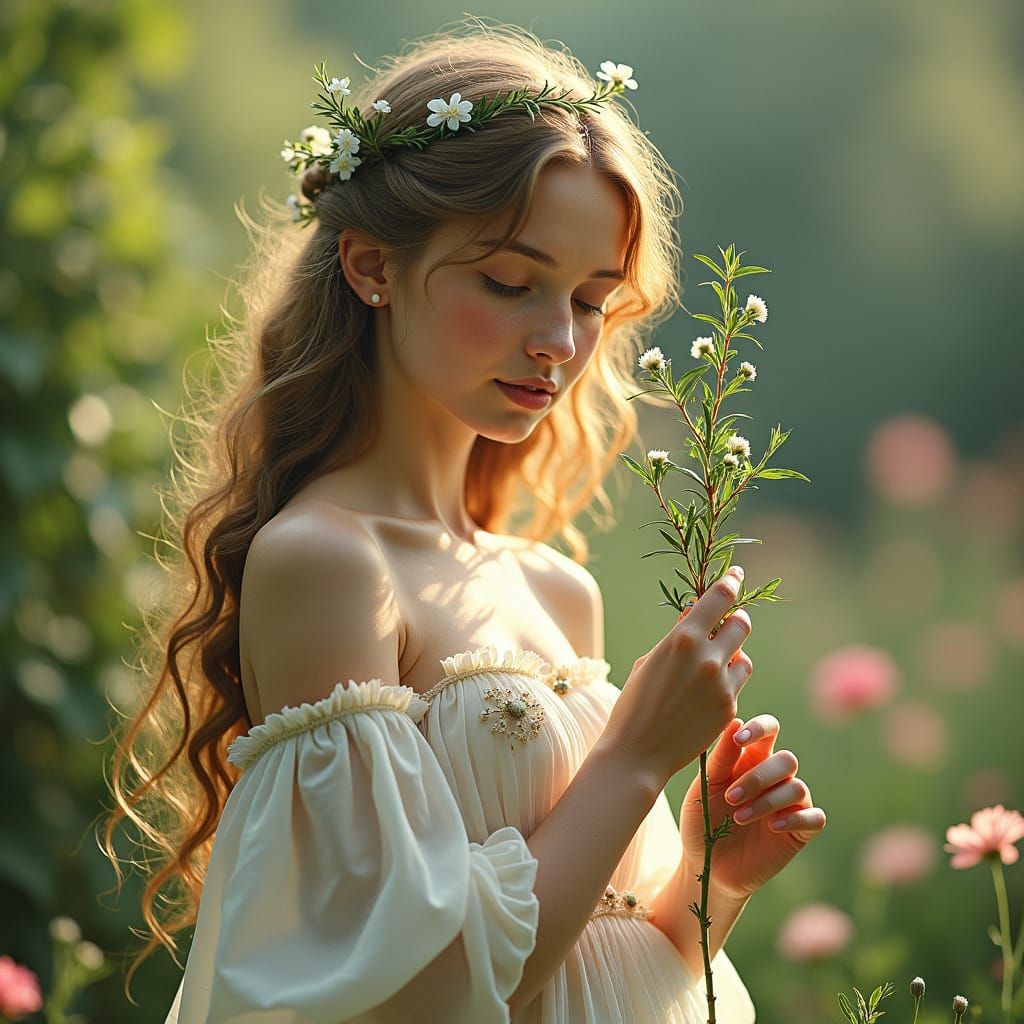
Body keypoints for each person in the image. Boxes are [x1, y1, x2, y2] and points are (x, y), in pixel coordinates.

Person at [101, 16, 826, 1023]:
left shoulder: (556, 590)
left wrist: (712, 877)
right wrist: (629, 760)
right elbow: (407, 992)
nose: (557, 342)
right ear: (370, 266)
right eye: (508, 282)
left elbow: (594, 962)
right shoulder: (326, 563)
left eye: (588, 299)